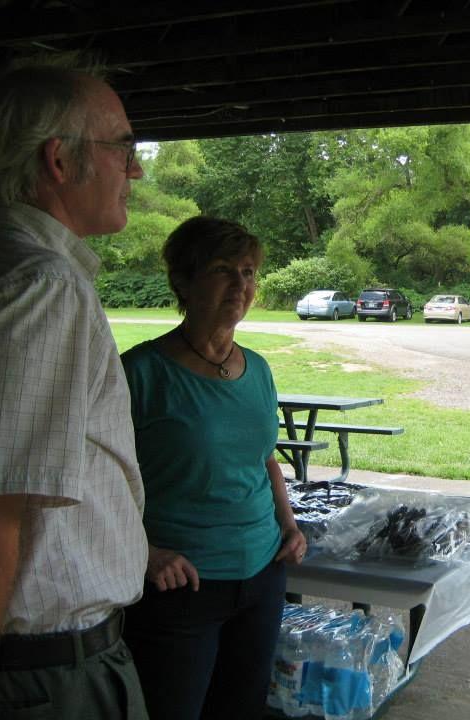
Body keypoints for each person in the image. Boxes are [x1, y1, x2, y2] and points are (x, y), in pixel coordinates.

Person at [0, 64, 148, 718]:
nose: (137, 170)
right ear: (60, 161)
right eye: (125, 148)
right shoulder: (44, 287)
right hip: (42, 678)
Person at [120, 215, 307, 720]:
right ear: (183, 280)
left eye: (247, 271)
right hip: (181, 587)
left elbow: (264, 457)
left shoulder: (259, 368)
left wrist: (288, 526)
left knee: (241, 709)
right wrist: (145, 552)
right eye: (223, 269)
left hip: (262, 575)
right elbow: (97, 478)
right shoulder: (140, 372)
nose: (240, 285)